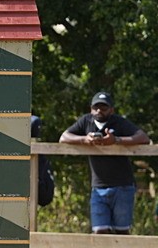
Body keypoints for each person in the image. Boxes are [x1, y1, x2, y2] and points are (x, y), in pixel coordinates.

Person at [59, 91, 150, 234]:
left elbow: (143, 138)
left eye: (104, 107)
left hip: (123, 186)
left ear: (111, 110)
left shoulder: (119, 122)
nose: (99, 111)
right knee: (100, 231)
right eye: (96, 107)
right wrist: (85, 140)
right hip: (98, 187)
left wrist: (116, 140)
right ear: (91, 109)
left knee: (122, 232)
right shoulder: (86, 121)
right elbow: (64, 137)